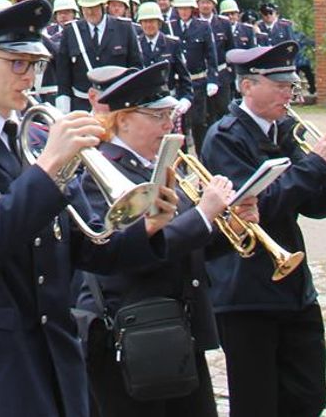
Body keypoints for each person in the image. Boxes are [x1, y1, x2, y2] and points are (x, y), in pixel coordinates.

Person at [0, 0, 179, 417]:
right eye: (17, 63)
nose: (30, 77)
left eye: (35, 65)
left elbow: (87, 247)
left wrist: (146, 227)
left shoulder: (37, 135)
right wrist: (50, 166)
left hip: (57, 347)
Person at [74, 61, 253, 417]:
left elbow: (184, 244)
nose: (168, 125)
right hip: (134, 330)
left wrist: (224, 226)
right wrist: (204, 214)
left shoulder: (162, 163)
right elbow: (131, 252)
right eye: (157, 116)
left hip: (176, 327)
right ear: (123, 119)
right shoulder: (101, 173)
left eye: (169, 114)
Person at [200, 41, 326, 417]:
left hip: (293, 287)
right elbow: (257, 208)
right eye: (280, 84)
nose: (290, 92)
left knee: (309, 394)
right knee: (257, 402)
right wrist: (315, 166)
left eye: (291, 83)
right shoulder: (225, 137)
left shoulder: (285, 130)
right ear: (248, 86)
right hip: (246, 290)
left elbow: (314, 206)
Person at [56, 0, 143, 113]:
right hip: (81, 106)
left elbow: (135, 68)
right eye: (86, 8)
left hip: (116, 104)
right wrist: (64, 108)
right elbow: (63, 75)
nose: (90, 12)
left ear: (103, 5)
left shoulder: (124, 28)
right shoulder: (71, 31)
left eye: (94, 7)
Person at [169, 0, 218, 153]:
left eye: (186, 8)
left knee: (198, 123)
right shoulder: (170, 26)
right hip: (178, 83)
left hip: (198, 81)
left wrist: (212, 80)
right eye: (180, 8)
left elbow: (211, 56)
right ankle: (180, 164)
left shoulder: (203, 27)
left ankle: (202, 160)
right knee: (179, 125)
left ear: (192, 9)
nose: (183, 12)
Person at [137, 2, 193, 115]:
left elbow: (185, 77)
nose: (148, 25)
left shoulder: (172, 44)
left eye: (152, 21)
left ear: (159, 23)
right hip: (143, 105)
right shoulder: (135, 44)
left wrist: (186, 99)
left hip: (168, 103)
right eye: (145, 22)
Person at [196, 0, 234, 126]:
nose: (205, 5)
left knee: (224, 110)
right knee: (206, 115)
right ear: (198, 4)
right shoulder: (194, 24)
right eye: (202, 2)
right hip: (202, 76)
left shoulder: (224, 23)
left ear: (214, 5)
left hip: (221, 75)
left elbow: (231, 49)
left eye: (208, 2)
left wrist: (231, 73)